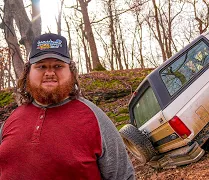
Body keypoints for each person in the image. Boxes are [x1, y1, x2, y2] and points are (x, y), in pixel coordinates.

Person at [0, 33, 135, 179]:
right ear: (28, 73)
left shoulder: (94, 118)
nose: (49, 72)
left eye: (58, 66)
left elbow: (123, 176)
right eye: (41, 66)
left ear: (71, 71)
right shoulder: (13, 118)